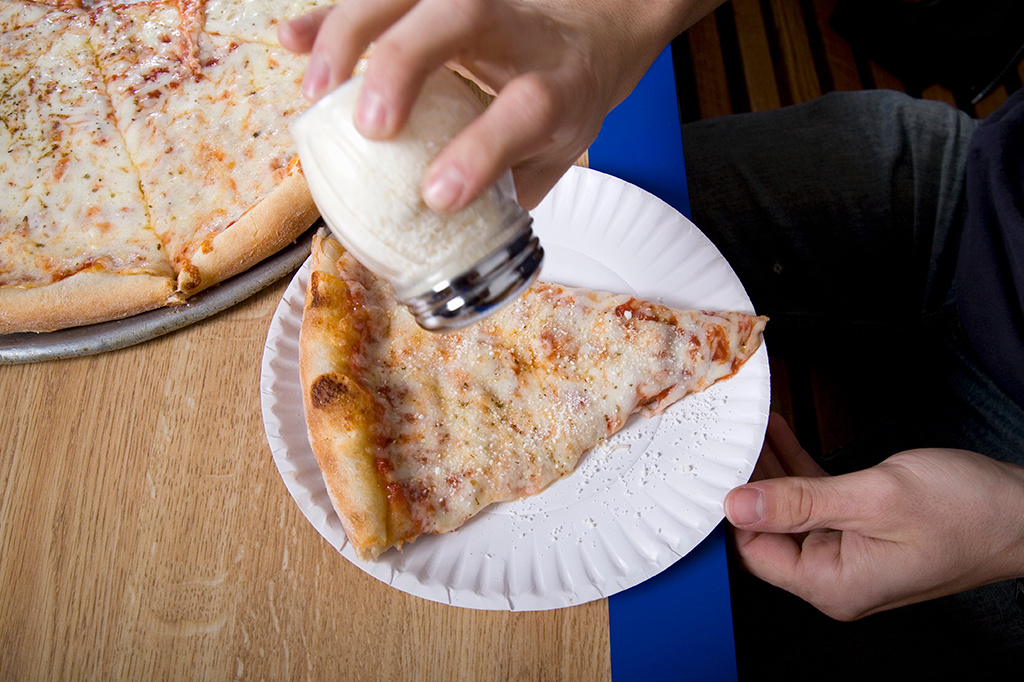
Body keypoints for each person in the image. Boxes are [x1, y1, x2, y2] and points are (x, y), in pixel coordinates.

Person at [278, 0, 1024, 674]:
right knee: (609, 179)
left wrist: (1008, 531)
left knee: (683, 648)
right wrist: (606, 27)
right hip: (976, 187)